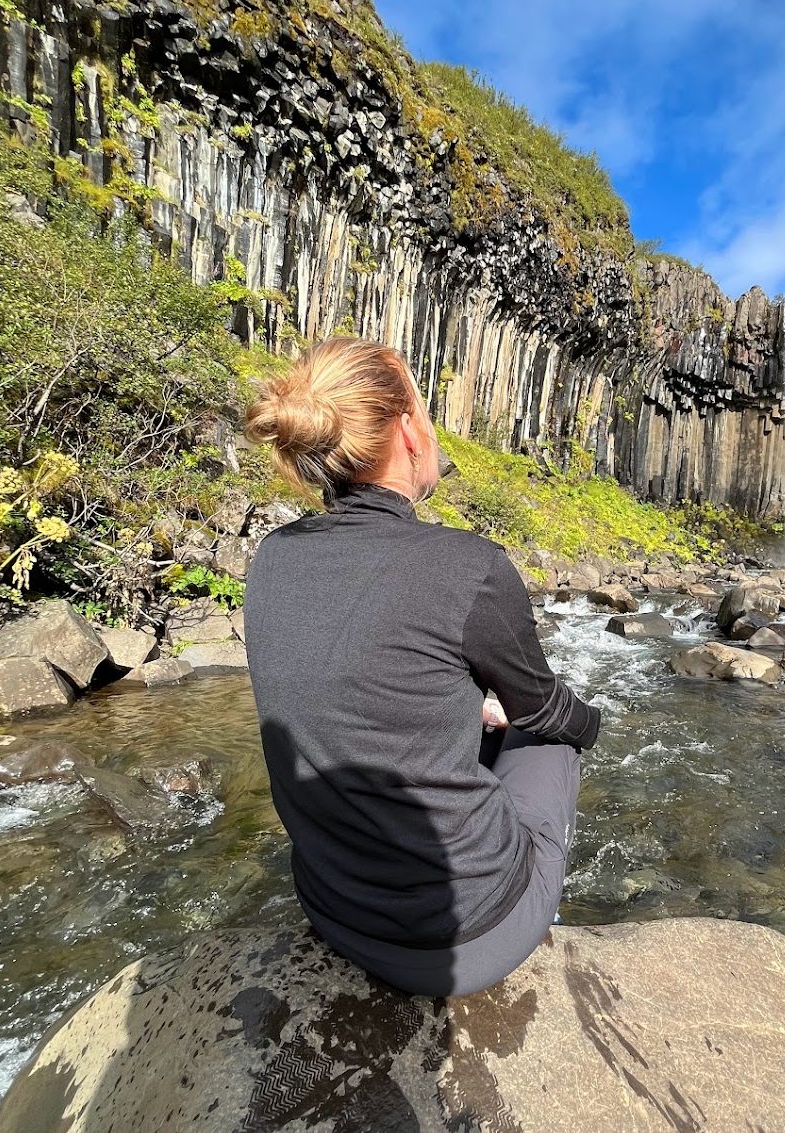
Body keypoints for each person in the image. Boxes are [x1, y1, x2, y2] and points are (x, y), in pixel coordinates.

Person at [242, 337, 600, 997]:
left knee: (489, 716)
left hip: (332, 910)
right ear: (409, 430)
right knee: (552, 737)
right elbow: (547, 709)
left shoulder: (272, 557)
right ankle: (541, 910)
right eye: (430, 414)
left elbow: (371, 692)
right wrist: (589, 719)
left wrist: (473, 707)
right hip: (464, 938)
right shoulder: (468, 565)